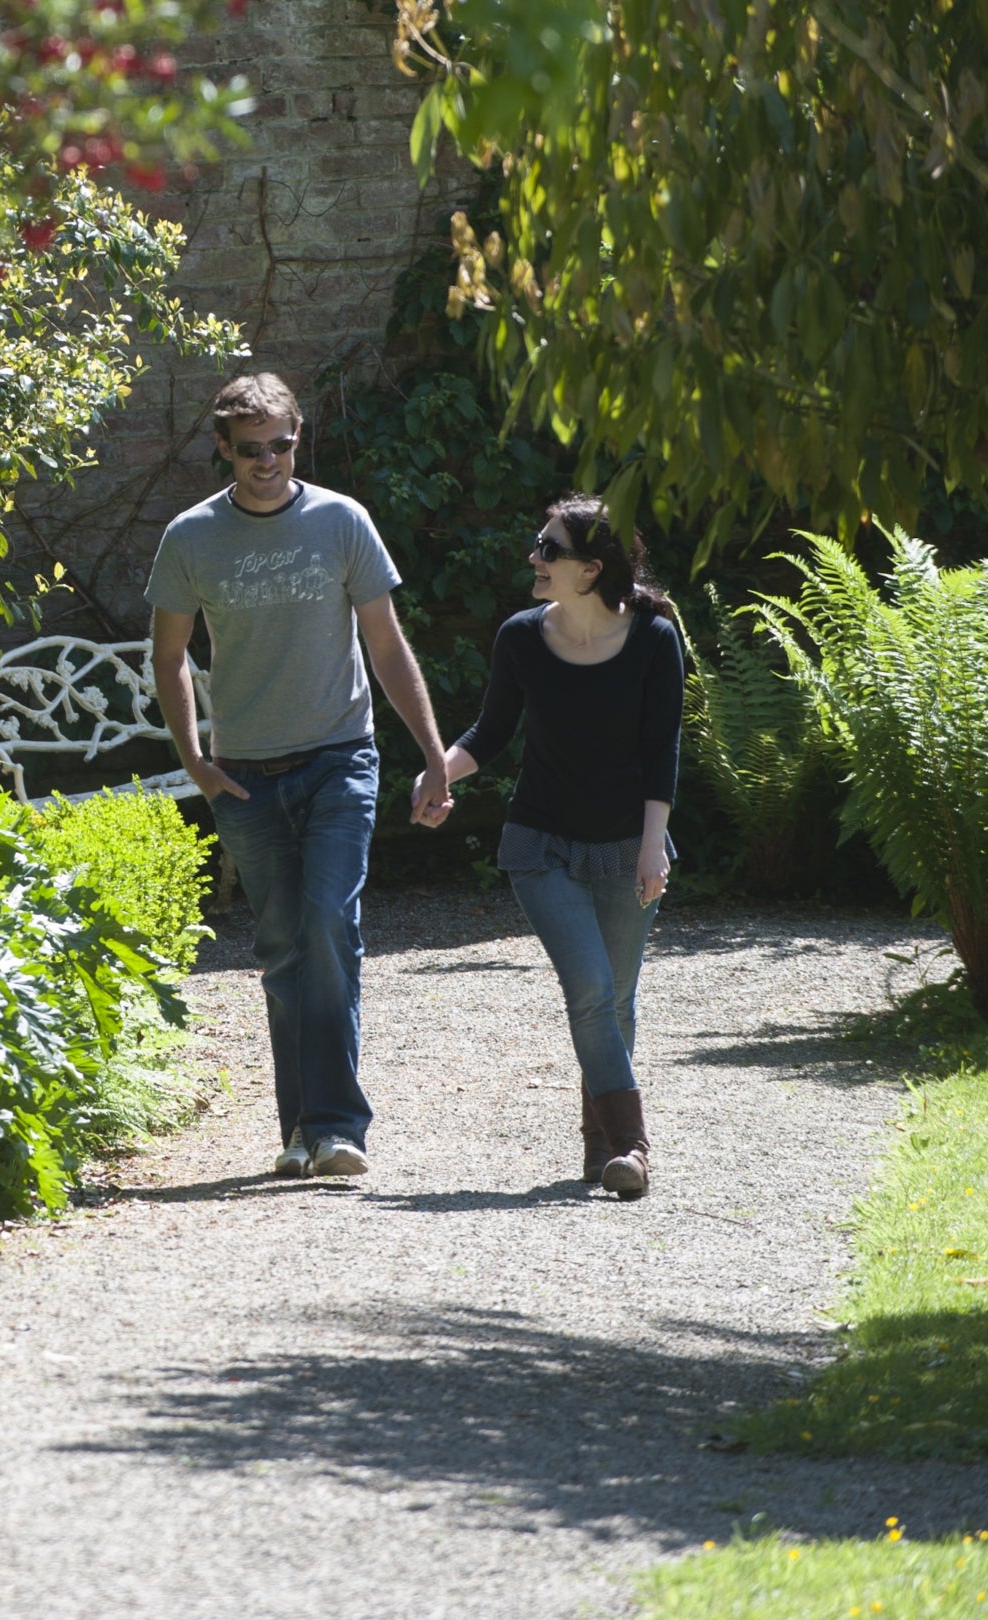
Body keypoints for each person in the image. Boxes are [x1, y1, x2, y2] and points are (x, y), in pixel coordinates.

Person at [146, 372, 452, 1180]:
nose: (269, 461)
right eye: (251, 450)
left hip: (339, 757)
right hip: (246, 776)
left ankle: (338, 1124)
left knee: (326, 922)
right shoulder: (190, 537)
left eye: (281, 444)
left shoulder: (341, 520)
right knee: (283, 946)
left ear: (297, 436)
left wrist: (429, 751)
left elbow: (385, 644)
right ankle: (300, 1132)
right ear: (224, 450)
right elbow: (170, 657)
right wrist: (197, 763)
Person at [427, 494, 685, 1199]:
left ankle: (598, 1150)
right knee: (592, 989)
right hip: (539, 845)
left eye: (549, 549)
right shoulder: (519, 637)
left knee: (617, 998)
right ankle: (634, 1146)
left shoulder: (656, 638)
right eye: (537, 545)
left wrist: (653, 845)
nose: (533, 558)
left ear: (591, 569)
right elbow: (489, 734)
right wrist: (435, 772)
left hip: (629, 843)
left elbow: (662, 748)